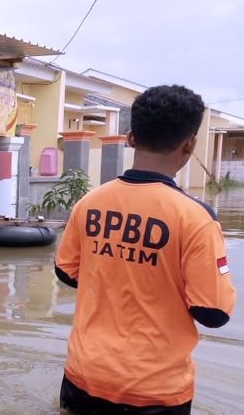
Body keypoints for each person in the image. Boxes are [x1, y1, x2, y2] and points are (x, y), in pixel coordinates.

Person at [55, 85, 236, 414]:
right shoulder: (196, 219)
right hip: (155, 392)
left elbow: (66, 272)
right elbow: (213, 313)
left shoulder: (89, 204)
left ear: (130, 137)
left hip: (83, 377)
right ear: (189, 144)